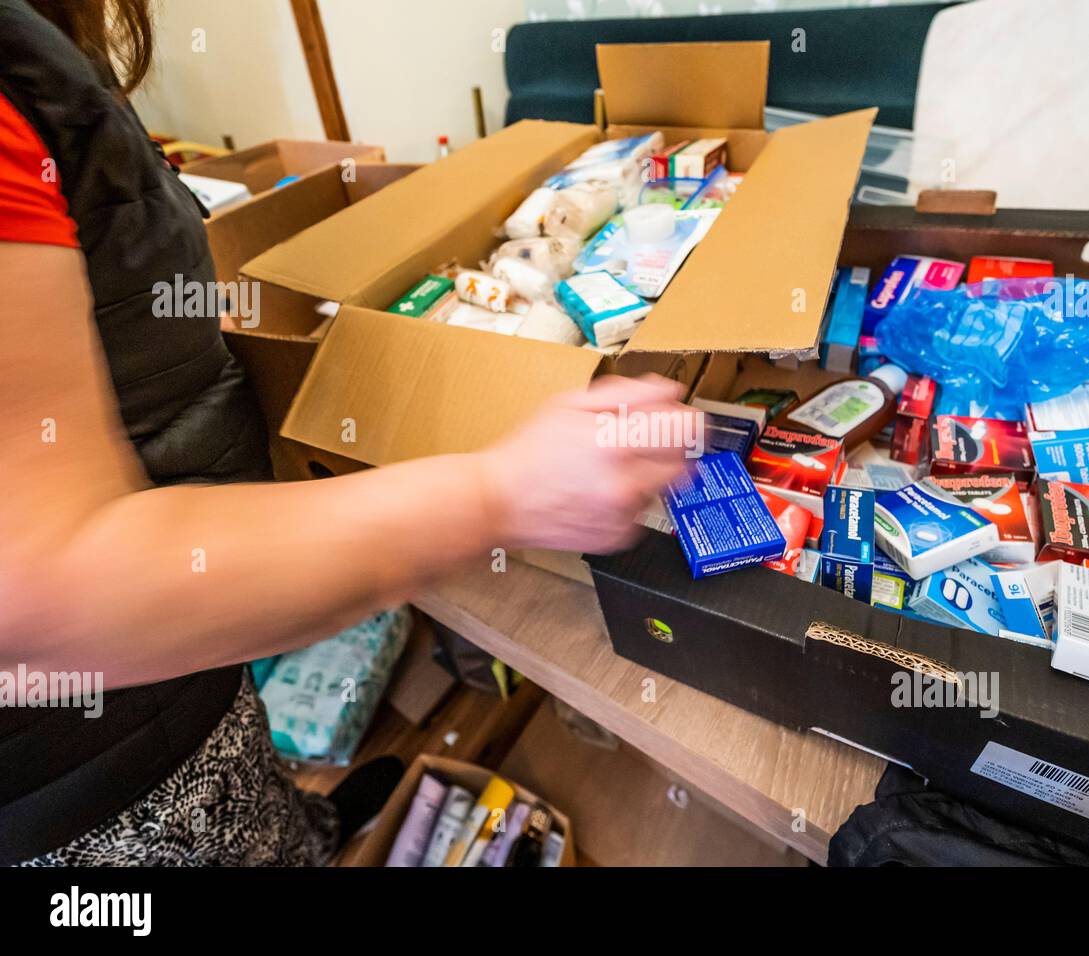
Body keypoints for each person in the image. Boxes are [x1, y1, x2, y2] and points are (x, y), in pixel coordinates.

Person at [0, 0, 689, 865]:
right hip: (79, 790)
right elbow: (43, 585)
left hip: (179, 689)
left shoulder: (36, 54)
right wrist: (498, 492)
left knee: (267, 806)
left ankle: (313, 830)